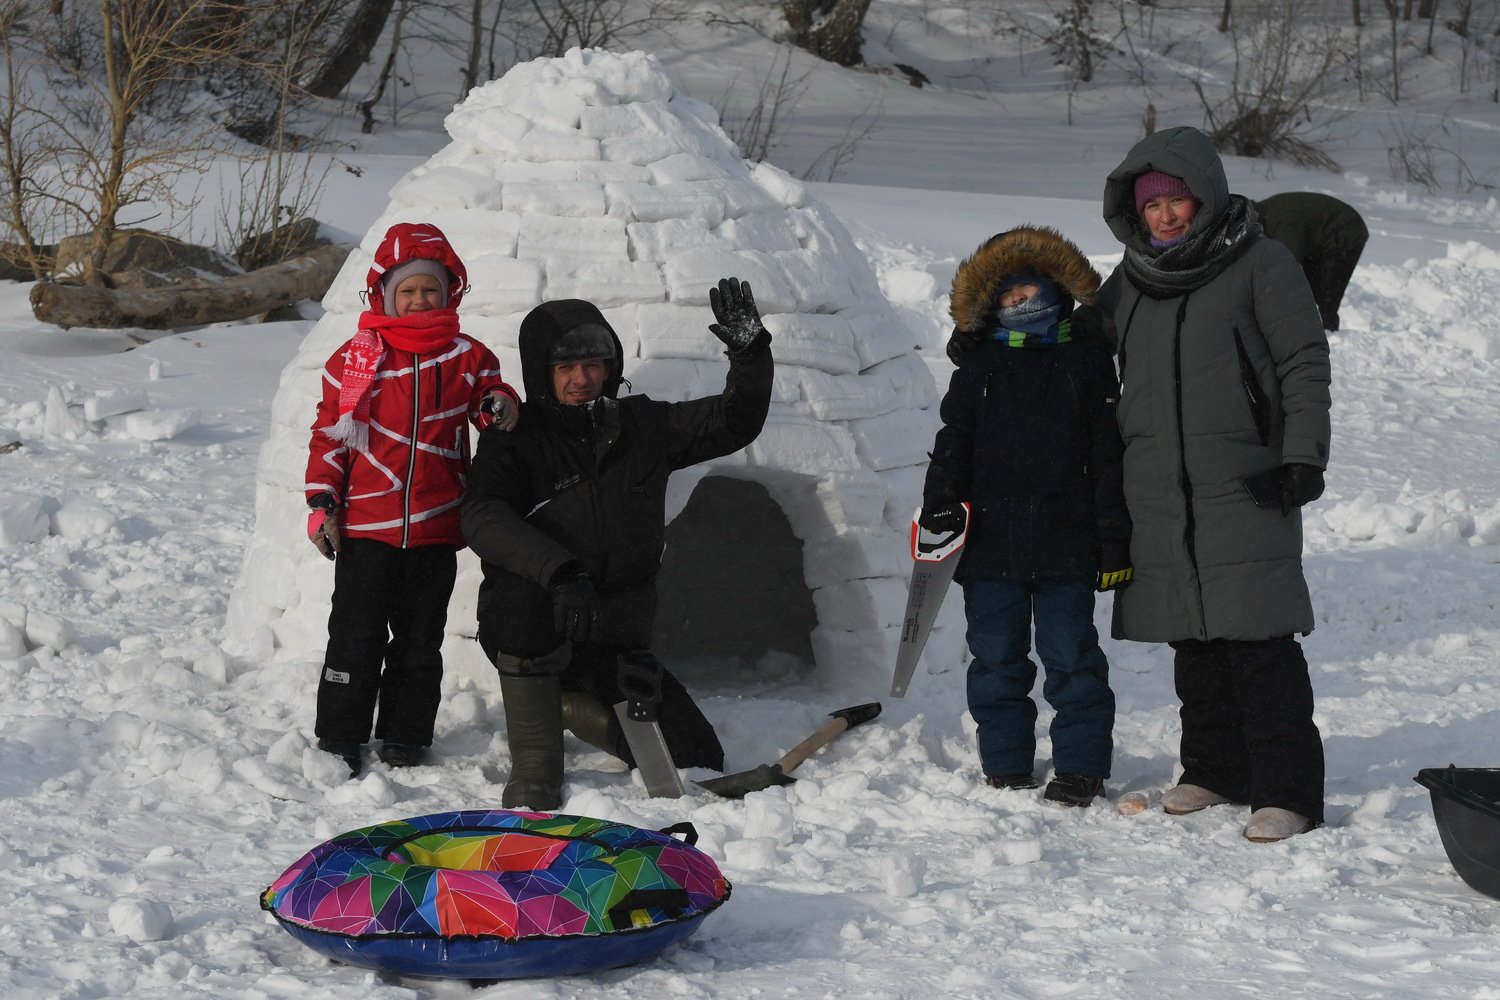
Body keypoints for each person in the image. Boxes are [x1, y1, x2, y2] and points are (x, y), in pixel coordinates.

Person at [1098, 126, 1331, 842]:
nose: (1166, 215)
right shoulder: (1131, 279)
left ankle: (1287, 791)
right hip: (1160, 487)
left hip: (1245, 477)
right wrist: (988, 338)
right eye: (1153, 205)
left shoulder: (1262, 262)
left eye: (1178, 200)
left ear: (1205, 196)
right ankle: (1213, 770)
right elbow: (1076, 355)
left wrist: (1303, 455)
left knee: (1258, 640)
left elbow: (1302, 361)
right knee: (1192, 644)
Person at [461, 278, 773, 809]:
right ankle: (535, 763)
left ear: (611, 367)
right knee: (517, 601)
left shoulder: (644, 425)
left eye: (593, 365)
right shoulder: (517, 436)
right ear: (542, 373)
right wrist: (560, 573)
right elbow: (483, 517)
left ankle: (557, 703)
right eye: (566, 369)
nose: (582, 380)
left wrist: (750, 354)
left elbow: (733, 420)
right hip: (541, 620)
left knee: (696, 754)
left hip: (613, 632)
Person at [304, 222, 520, 777]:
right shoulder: (355, 359)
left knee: (420, 640)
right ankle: (340, 734)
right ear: (385, 295)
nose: (420, 299)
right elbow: (330, 435)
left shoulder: (469, 357)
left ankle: (403, 734)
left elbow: (487, 401)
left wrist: (499, 405)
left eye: (430, 288)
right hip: (366, 528)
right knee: (354, 634)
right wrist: (323, 503)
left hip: (435, 527)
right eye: (408, 290)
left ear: (449, 292)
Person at [930, 226, 1131, 808]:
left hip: (1067, 542)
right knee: (995, 658)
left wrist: (1113, 541)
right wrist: (942, 503)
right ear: (992, 307)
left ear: (1057, 290)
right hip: (991, 545)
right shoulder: (980, 366)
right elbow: (954, 441)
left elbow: (1107, 456)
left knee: (1073, 658)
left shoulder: (1087, 361)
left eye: (1031, 292)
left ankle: (1081, 766)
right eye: (1009, 299)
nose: (1023, 305)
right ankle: (1006, 762)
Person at [1253, 191, 1368, 332]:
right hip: (1318, 239)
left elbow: (1290, 266)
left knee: (1326, 293)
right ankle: (1306, 329)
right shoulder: (1265, 215)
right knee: (1307, 288)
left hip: (1347, 232)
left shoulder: (1283, 222)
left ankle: (1331, 334)